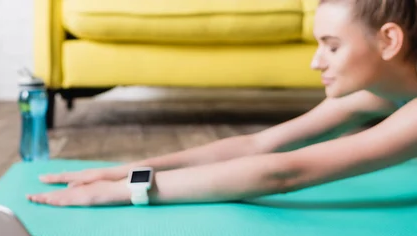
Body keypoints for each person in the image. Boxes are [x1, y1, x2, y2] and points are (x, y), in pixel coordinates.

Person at [27, 0, 417, 207]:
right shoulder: (374, 94)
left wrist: (123, 193)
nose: (316, 62)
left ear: (389, 40)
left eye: (332, 47)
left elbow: (285, 172)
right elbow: (258, 145)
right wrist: (128, 172)